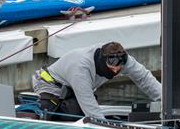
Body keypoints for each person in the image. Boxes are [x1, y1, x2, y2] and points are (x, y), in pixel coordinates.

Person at [32, 42, 161, 121]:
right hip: (50, 84)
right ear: (103, 60)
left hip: (71, 88)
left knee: (80, 108)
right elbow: (90, 108)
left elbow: (144, 78)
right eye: (113, 65)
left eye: (120, 66)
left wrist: (166, 101)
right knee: (74, 112)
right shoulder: (81, 69)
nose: (117, 70)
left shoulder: (123, 59)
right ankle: (35, 108)